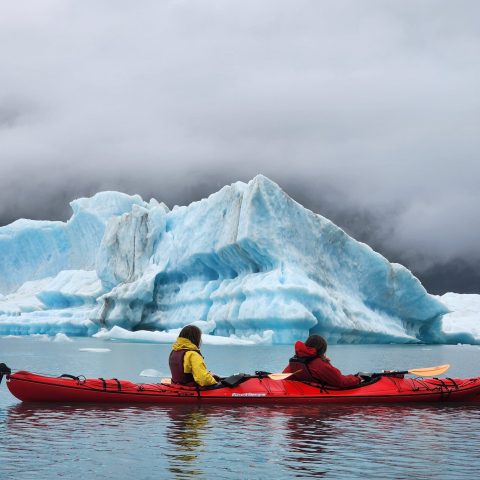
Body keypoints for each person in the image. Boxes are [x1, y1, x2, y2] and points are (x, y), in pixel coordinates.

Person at [283, 335, 361, 388]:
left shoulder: (296, 360)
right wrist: (357, 379)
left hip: (301, 391)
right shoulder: (319, 363)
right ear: (322, 349)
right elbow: (340, 381)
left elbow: (284, 377)